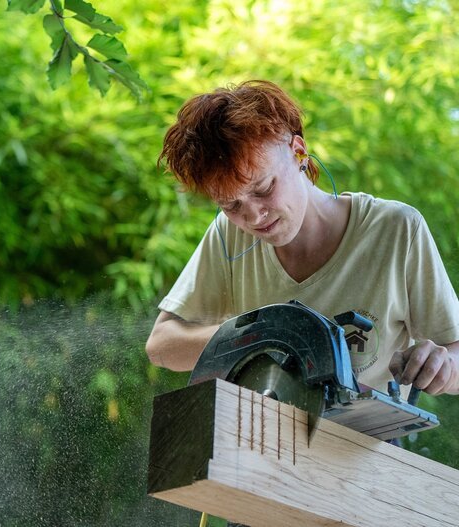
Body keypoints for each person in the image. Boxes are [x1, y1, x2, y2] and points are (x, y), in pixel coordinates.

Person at [145, 79, 459, 399]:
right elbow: (161, 346)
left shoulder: (395, 229)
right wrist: (263, 332)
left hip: (369, 444)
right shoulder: (229, 237)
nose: (254, 217)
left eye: (264, 189)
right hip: (259, 436)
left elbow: (456, 352)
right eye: (231, 205)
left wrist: (443, 365)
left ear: (298, 153)